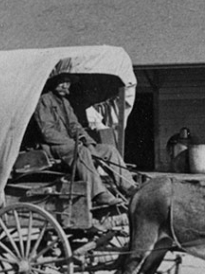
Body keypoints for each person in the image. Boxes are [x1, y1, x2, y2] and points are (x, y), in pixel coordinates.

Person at [34, 74, 137, 207]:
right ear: (53, 83)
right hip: (54, 146)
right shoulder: (44, 100)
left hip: (73, 145)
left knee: (108, 150)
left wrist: (89, 143)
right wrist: (74, 143)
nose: (64, 85)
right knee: (81, 151)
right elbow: (47, 132)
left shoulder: (65, 103)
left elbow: (75, 126)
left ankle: (129, 187)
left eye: (67, 82)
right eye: (61, 82)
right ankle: (99, 193)